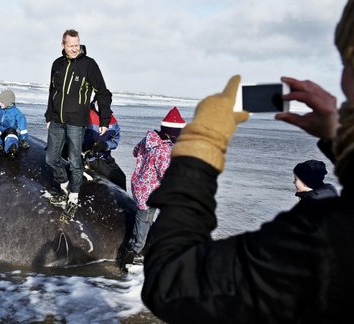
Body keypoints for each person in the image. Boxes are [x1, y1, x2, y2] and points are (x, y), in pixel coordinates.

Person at [141, 2, 354, 322]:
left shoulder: (326, 239)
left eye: (348, 62)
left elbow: (171, 281)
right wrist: (341, 138)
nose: (342, 80)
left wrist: (202, 142)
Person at [45, 29, 112, 218]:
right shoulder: (57, 64)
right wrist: (49, 116)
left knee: (75, 161)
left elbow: (102, 92)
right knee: (50, 158)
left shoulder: (88, 65)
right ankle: (65, 186)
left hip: (76, 122)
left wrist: (104, 119)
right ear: (63, 45)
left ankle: (74, 197)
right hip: (57, 120)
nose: (75, 49)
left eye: (77, 45)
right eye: (71, 45)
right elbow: (52, 92)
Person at [120, 107, 185, 270]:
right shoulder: (164, 150)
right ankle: (131, 255)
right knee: (143, 222)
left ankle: (144, 247)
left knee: (146, 219)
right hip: (151, 192)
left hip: (140, 185)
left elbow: (136, 152)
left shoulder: (149, 139)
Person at [82, 99, 126, 190]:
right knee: (113, 178)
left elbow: (115, 141)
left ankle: (122, 202)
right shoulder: (84, 114)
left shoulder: (112, 121)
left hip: (106, 157)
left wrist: (105, 145)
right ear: (95, 101)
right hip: (90, 158)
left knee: (121, 178)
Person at [0, 89, 29, 158]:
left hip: (8, 132)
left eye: (1, 102)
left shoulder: (16, 112)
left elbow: (22, 126)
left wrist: (23, 139)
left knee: (11, 135)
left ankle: (11, 148)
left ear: (8, 102)